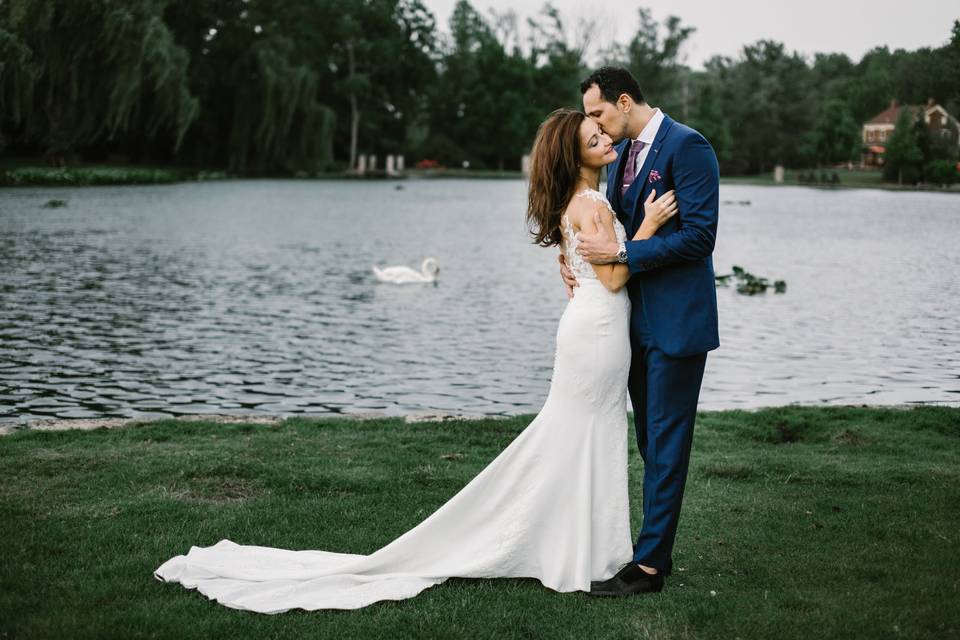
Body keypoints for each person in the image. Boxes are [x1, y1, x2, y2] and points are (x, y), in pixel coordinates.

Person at [151, 108, 678, 613]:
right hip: (598, 328)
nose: (606, 141)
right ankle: (579, 551)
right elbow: (612, 277)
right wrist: (650, 224)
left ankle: (577, 548)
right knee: (581, 434)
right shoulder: (589, 204)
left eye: (601, 134)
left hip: (591, 328)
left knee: (576, 435)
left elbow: (589, 268)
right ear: (574, 156)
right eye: (594, 139)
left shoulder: (579, 200)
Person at [564, 66, 720, 597]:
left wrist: (626, 251)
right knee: (651, 443)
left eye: (598, 113)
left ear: (624, 101)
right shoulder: (624, 155)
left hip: (677, 323)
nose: (597, 126)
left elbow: (700, 237)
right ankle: (654, 550)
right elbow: (610, 232)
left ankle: (649, 565)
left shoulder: (688, 147)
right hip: (632, 323)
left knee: (668, 442)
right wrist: (579, 264)